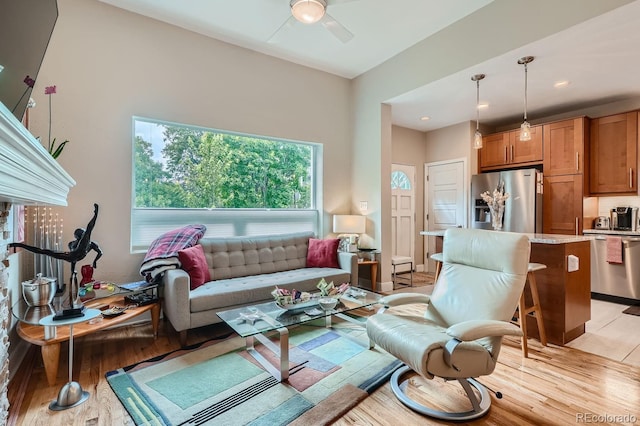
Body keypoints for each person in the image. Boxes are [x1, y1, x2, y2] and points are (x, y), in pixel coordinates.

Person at [9, 203, 103, 276]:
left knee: (43, 251)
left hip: (72, 256)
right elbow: (74, 258)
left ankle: (19, 245)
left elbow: (99, 252)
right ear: (79, 237)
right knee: (42, 251)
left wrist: (94, 261)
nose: (83, 234)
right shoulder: (74, 244)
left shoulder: (89, 243)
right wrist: (96, 214)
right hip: (71, 256)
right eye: (80, 235)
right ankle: (19, 244)